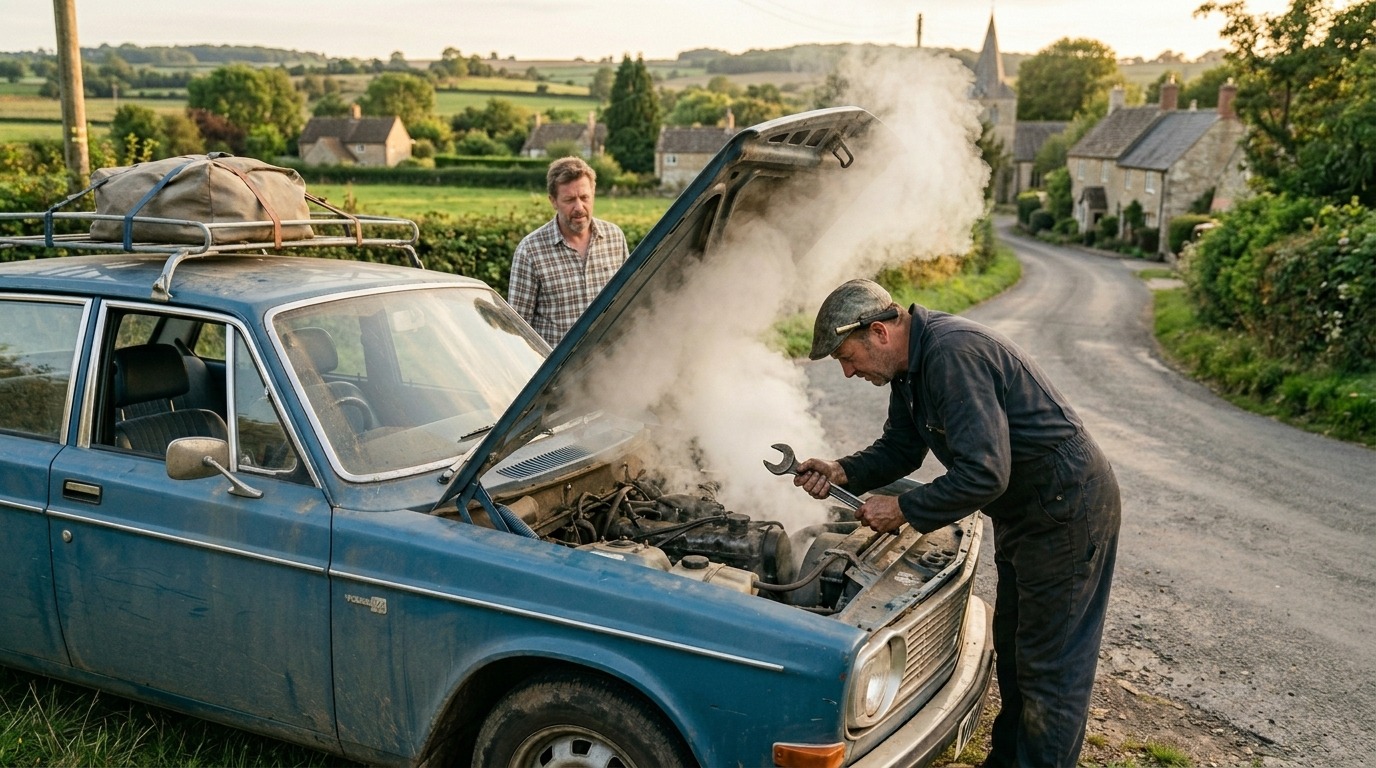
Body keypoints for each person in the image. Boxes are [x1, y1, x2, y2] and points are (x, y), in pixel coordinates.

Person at [793, 278, 1121, 768]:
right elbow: (902, 449)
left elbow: (985, 472)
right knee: (1013, 651)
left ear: (878, 332)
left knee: (1049, 670)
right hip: (1028, 510)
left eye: (846, 357)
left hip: (1065, 511)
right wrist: (844, 471)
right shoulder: (909, 369)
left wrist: (903, 509)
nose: (846, 372)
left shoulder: (951, 356)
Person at [507, 156, 629, 346]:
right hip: (557, 373)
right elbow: (517, 330)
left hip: (608, 366)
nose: (579, 207)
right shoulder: (530, 250)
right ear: (553, 201)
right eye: (569, 200)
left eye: (584, 197)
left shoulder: (615, 238)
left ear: (593, 193)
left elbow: (626, 304)